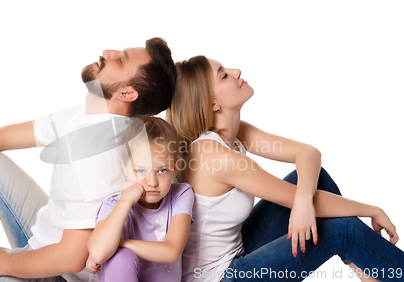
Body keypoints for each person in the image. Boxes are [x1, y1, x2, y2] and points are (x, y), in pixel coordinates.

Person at [0, 37, 177, 282]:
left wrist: (4, 263)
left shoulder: (96, 154)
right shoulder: (88, 116)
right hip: (42, 242)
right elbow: (3, 137)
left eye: (120, 59)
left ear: (127, 94)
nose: (108, 51)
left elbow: (73, 258)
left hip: (57, 274)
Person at [166, 55, 404, 282]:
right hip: (222, 277)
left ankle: (368, 272)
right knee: (342, 229)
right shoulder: (214, 156)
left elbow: (308, 154)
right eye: (224, 75)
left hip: (236, 252)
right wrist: (372, 210)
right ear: (213, 104)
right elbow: (296, 199)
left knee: (313, 180)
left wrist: (302, 198)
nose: (236, 71)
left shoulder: (234, 133)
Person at [86, 116, 194, 282]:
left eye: (162, 170)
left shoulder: (180, 195)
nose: (152, 182)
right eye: (141, 171)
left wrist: (119, 243)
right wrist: (125, 202)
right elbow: (98, 253)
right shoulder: (114, 204)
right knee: (123, 257)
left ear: (175, 168)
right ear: (125, 167)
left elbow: (172, 252)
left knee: (120, 250)